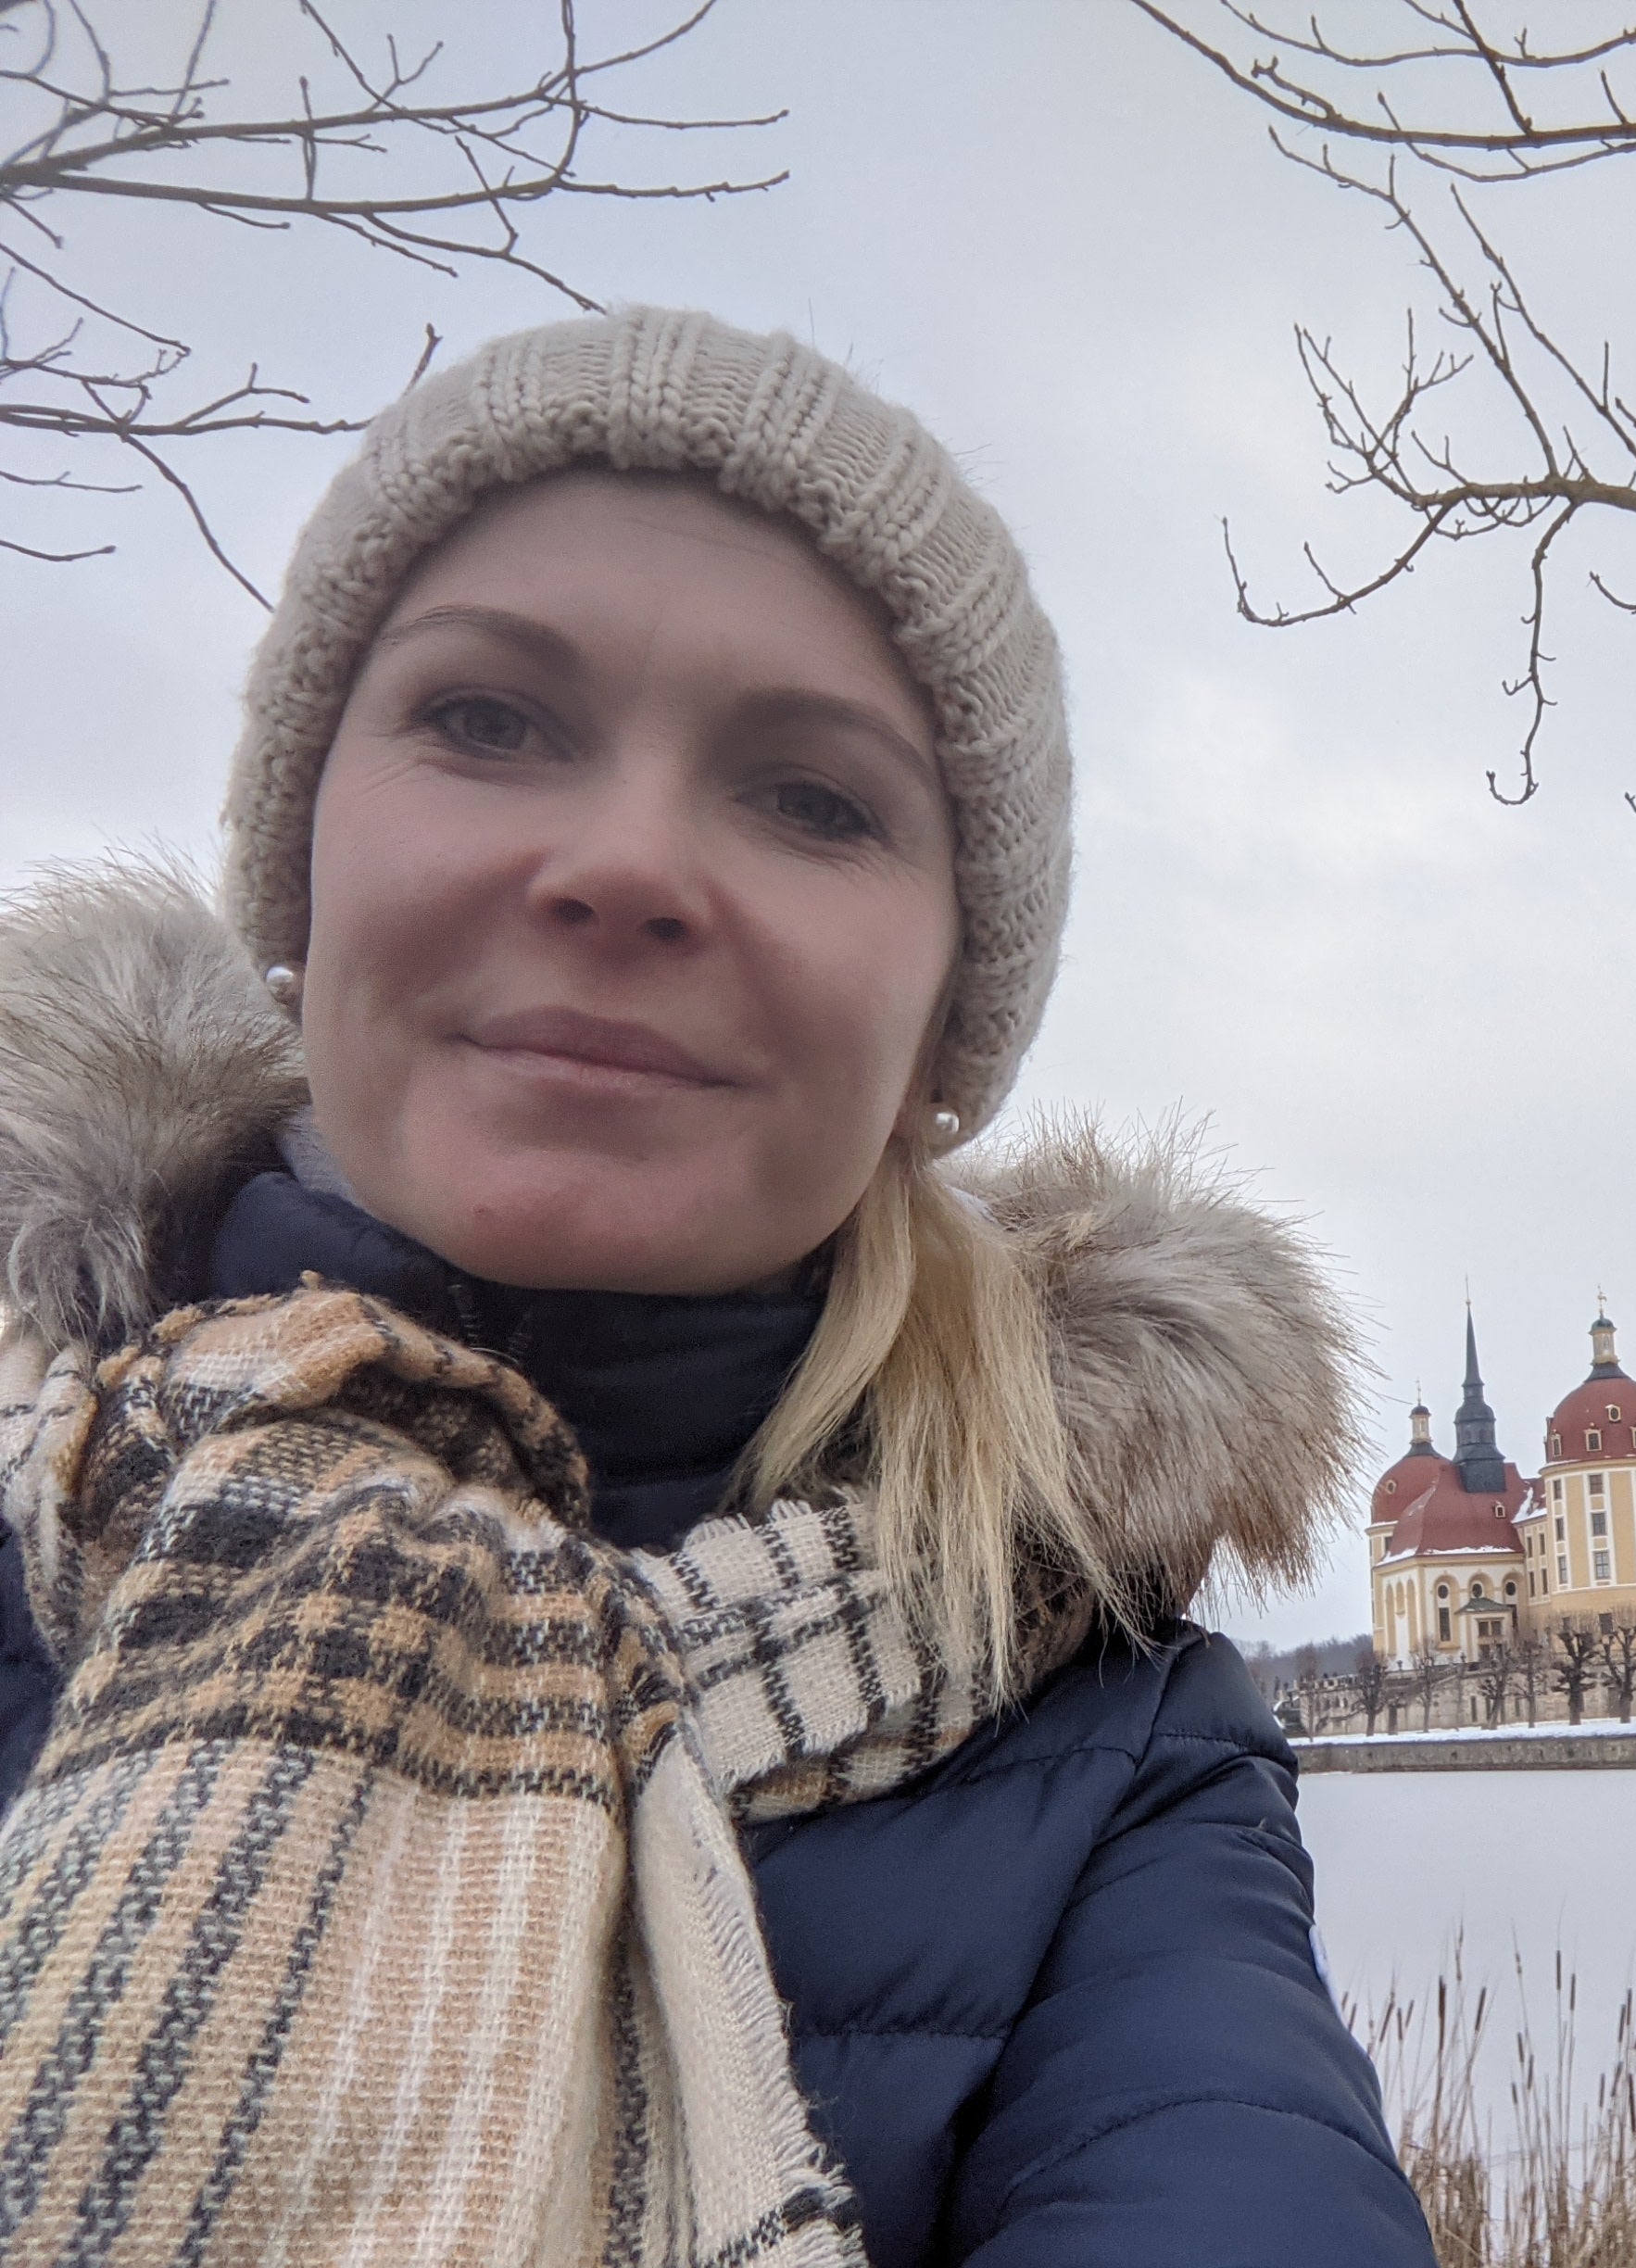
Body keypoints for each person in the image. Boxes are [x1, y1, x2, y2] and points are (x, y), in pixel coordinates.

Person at [0, 309, 1435, 2268]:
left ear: (936, 1039)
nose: (625, 864)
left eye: (814, 798)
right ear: (301, 874)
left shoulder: (1111, 1761)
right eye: (489, 719)